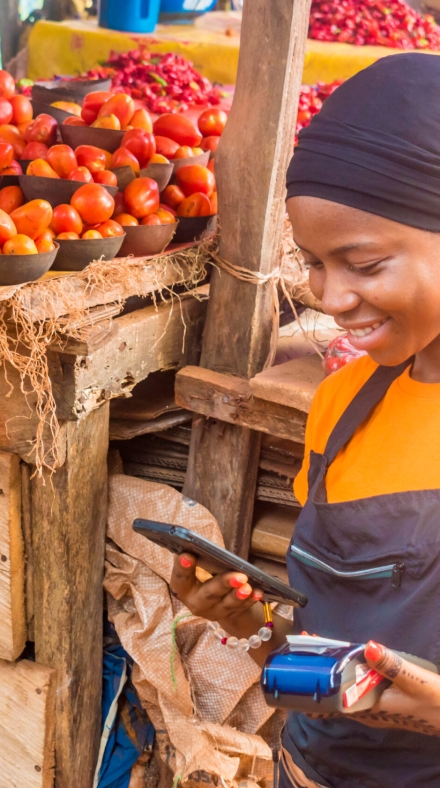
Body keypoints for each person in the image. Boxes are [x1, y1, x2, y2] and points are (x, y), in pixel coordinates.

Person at [170, 53, 440, 788]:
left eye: (364, 263)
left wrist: (422, 708)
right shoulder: (343, 406)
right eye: (315, 263)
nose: (331, 296)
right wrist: (249, 624)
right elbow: (319, 650)